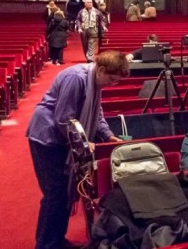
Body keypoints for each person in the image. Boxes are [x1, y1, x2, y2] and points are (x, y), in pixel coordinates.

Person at [26, 51, 128, 249]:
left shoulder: (95, 82)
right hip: (46, 139)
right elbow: (63, 119)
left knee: (64, 193)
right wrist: (82, 142)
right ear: (101, 70)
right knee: (55, 194)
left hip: (62, 139)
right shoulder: (76, 78)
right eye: (112, 80)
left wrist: (108, 135)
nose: (112, 85)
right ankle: (47, 244)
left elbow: (97, 115)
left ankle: (55, 240)